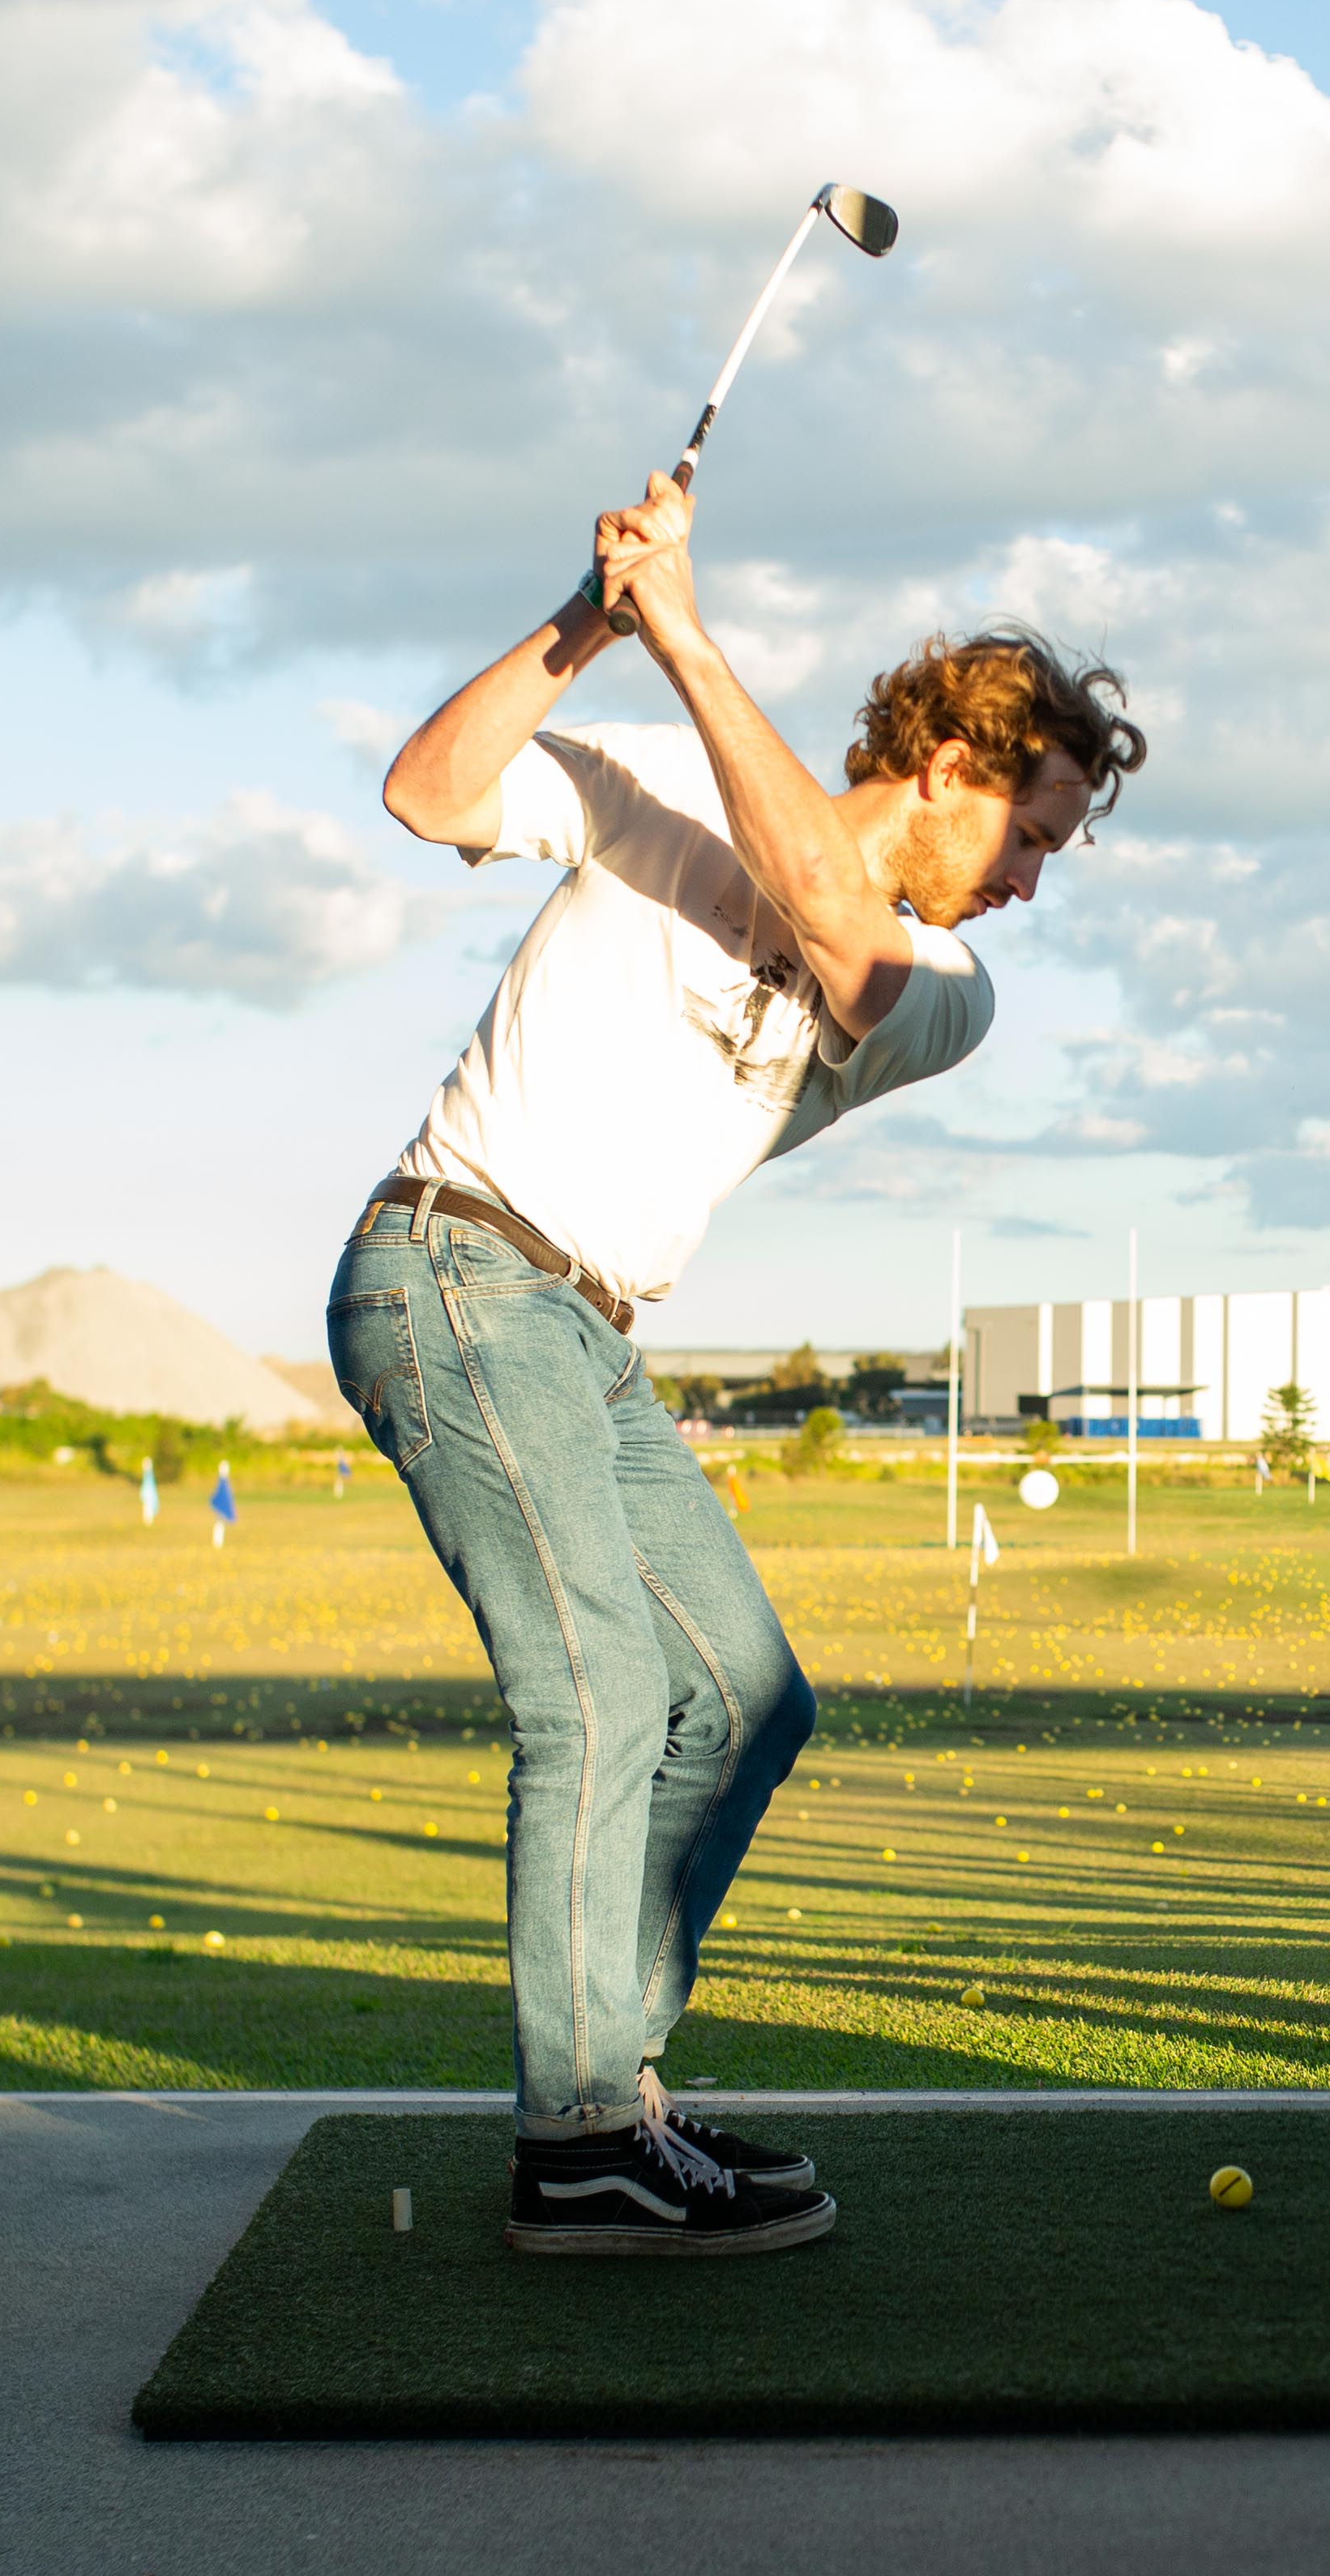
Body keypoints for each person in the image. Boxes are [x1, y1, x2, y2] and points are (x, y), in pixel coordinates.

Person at [352, 468, 1141, 2255]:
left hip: (580, 1329)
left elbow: (839, 937)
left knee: (745, 1699)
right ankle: (578, 2136)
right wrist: (598, 616)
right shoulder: (653, 783)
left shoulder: (944, 985)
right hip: (457, 1264)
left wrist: (685, 635)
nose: (1030, 883)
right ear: (949, 763)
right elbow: (429, 793)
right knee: (601, 1698)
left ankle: (612, 2090)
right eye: (1029, 833)